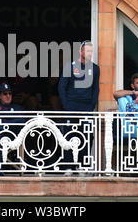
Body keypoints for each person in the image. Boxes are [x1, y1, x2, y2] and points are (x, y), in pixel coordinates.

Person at [58, 40, 100, 175]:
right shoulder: (69, 67)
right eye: (87, 51)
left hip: (86, 107)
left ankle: (84, 166)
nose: (89, 54)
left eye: (91, 51)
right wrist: (66, 106)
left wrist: (92, 105)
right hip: (71, 106)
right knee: (69, 136)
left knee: (87, 137)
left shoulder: (95, 68)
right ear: (80, 51)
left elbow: (96, 89)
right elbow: (61, 87)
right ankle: (68, 167)